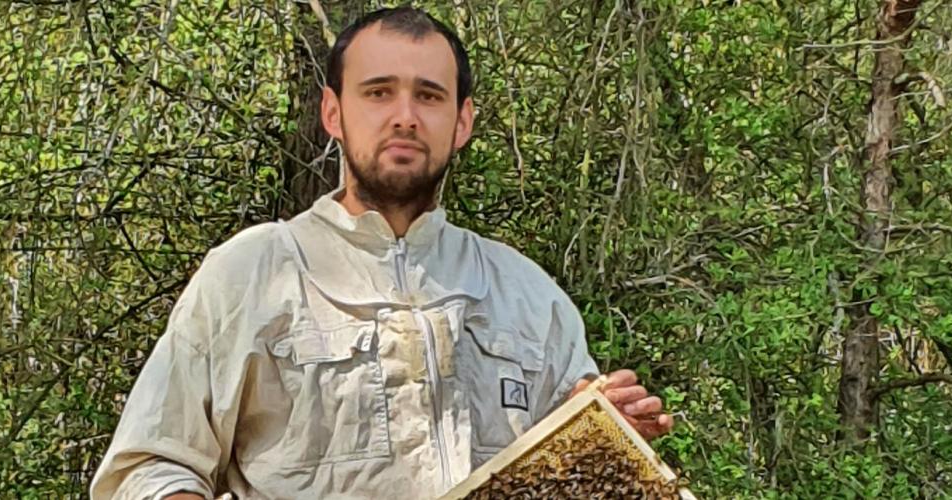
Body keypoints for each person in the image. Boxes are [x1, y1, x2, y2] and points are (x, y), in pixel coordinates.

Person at [90, 6, 673, 499]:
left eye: (429, 95)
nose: (404, 116)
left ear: (462, 121)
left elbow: (569, 478)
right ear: (333, 113)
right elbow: (145, 469)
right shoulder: (250, 273)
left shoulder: (528, 295)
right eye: (378, 93)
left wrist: (598, 433)